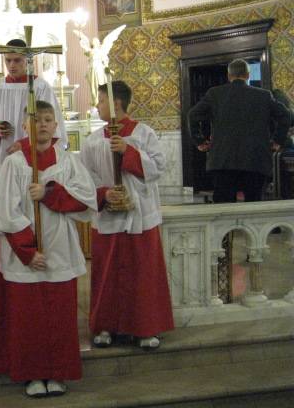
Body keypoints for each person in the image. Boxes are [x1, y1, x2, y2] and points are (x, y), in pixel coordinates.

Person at [0, 100, 97, 398]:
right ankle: (32, 374)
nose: (43, 125)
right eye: (36, 120)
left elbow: (86, 199)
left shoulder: (67, 161)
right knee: (29, 318)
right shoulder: (14, 163)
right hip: (24, 256)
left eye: (48, 119)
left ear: (56, 124)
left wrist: (49, 193)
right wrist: (27, 251)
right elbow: (5, 212)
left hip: (60, 248)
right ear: (25, 126)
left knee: (59, 316)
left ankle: (58, 372)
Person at [79, 81, 174, 351]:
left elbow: (158, 167)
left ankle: (145, 328)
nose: (97, 106)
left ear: (116, 103)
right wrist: (104, 194)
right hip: (108, 216)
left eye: (100, 101)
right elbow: (85, 177)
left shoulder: (144, 134)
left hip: (140, 216)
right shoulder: (93, 141)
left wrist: (128, 152)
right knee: (106, 274)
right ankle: (105, 326)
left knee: (142, 274)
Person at [188, 59, 291, 202]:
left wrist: (199, 141)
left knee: (224, 206)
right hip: (255, 160)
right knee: (253, 204)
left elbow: (192, 115)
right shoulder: (264, 95)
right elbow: (285, 115)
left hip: (223, 160)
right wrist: (277, 141)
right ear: (248, 75)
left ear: (228, 76)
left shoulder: (214, 94)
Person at [0, 39, 67, 162]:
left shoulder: (40, 87)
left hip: (34, 153)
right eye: (8, 60)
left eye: (17, 60)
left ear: (27, 60)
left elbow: (51, 123)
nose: (12, 65)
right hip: (3, 152)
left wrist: (26, 144)